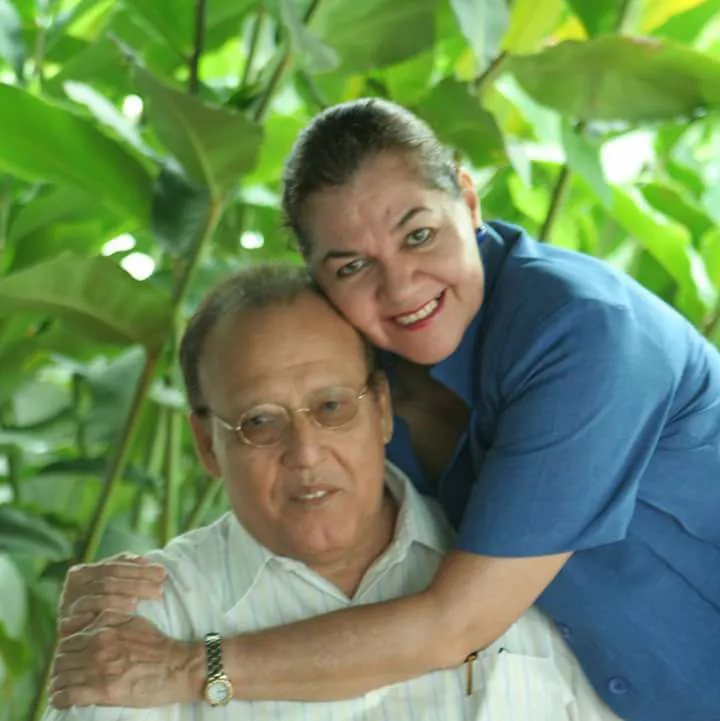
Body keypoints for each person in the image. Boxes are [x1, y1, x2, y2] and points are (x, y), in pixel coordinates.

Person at [53, 99, 720, 721]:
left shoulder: (584, 335)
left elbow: (457, 624)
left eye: (420, 234)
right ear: (318, 275)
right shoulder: (365, 377)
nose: (400, 286)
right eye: (351, 266)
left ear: (468, 200)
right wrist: (147, 591)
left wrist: (189, 665)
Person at [47, 265, 621, 721]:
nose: (305, 452)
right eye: (259, 422)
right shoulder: (148, 623)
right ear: (206, 444)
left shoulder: (519, 570)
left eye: (331, 407)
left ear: (382, 410)